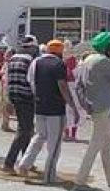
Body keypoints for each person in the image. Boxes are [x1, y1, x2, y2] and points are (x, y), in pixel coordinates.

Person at [17, 40, 80, 183]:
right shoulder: (59, 64)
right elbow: (63, 87)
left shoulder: (36, 62)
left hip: (39, 107)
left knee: (39, 136)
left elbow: (31, 82)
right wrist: (72, 106)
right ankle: (50, 176)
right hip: (55, 110)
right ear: (60, 52)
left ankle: (24, 164)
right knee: (54, 144)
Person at [73, 31, 110, 191]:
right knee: (96, 144)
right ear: (107, 47)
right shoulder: (103, 61)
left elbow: (78, 85)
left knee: (106, 144)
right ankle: (80, 180)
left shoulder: (87, 60)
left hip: (95, 105)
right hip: (103, 106)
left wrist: (85, 104)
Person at [3, 36, 39, 172]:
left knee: (26, 129)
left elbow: (8, 81)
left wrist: (8, 99)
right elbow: (32, 81)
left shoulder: (12, 59)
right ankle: (9, 162)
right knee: (24, 130)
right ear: (31, 48)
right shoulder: (30, 61)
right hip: (26, 98)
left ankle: (26, 161)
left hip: (14, 97)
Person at [62, 42, 81, 141]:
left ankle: (71, 134)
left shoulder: (70, 60)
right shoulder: (63, 61)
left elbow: (74, 74)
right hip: (68, 87)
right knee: (69, 111)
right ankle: (68, 133)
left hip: (70, 86)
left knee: (72, 111)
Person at [0, 48, 15, 132]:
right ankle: (5, 124)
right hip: (3, 86)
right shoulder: (6, 63)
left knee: (7, 106)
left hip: (8, 86)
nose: (6, 55)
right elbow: (1, 73)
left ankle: (5, 124)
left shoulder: (11, 63)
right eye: (6, 53)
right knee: (4, 106)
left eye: (9, 54)